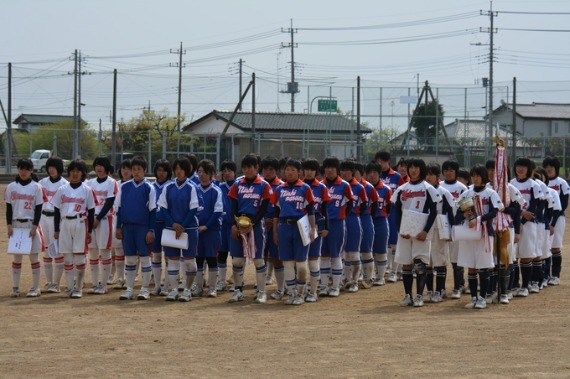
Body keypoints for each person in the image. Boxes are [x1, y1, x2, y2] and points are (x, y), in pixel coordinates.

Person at [391, 158, 441, 307]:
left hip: (421, 233)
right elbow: (397, 212)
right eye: (410, 167)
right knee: (406, 264)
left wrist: (426, 231)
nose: (413, 170)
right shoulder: (402, 189)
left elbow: (433, 212)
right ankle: (408, 296)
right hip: (406, 232)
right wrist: (401, 230)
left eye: (416, 167)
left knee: (420, 264)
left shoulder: (429, 188)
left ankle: (419, 296)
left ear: (421, 169)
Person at [455, 164, 503, 309]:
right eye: (473, 176)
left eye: (478, 175)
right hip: (469, 233)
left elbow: (494, 212)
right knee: (471, 267)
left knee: (483, 266)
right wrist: (464, 215)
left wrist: (479, 219)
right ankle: (474, 297)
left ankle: (483, 297)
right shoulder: (466, 194)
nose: (475, 179)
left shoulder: (491, 193)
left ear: (484, 177)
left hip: (484, 233)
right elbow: (457, 215)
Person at [227, 153, 272, 303]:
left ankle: (261, 292)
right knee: (237, 261)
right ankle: (238, 290)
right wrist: (235, 224)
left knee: (259, 260)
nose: (247, 170)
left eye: (250, 167)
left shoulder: (264, 185)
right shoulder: (237, 185)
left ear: (257, 167)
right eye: (244, 168)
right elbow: (232, 207)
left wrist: (251, 224)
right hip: (239, 225)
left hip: (256, 225)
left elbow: (264, 209)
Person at [272, 159, 316, 305]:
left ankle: (301, 292)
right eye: (287, 169)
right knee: (288, 263)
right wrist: (275, 232)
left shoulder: (305, 188)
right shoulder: (279, 189)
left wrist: (313, 229)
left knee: (302, 264)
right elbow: (276, 213)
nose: (289, 172)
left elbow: (311, 211)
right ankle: (291, 293)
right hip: (284, 227)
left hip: (300, 227)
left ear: (299, 172)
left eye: (292, 169)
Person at [51, 160, 96, 298]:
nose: (75, 174)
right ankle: (70, 287)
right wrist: (56, 229)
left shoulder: (87, 190)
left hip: (80, 223)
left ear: (82, 173)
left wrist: (89, 232)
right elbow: (57, 210)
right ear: (68, 172)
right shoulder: (62, 189)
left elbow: (92, 211)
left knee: (79, 258)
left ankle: (78, 288)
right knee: (67, 258)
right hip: (65, 223)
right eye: (72, 171)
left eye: (78, 171)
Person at [157, 157, 200, 302]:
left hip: (189, 228)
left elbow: (193, 208)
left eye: (181, 168)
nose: (178, 171)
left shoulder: (192, 187)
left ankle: (187, 290)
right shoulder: (168, 187)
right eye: (176, 168)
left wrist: (182, 225)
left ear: (187, 170)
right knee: (173, 260)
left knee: (189, 261)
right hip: (171, 228)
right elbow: (163, 207)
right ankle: (174, 289)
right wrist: (173, 224)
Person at [115, 156, 157, 300]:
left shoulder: (149, 188)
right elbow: (119, 209)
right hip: (128, 227)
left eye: (139, 169)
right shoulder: (124, 187)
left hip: (143, 227)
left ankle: (144, 289)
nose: (136, 172)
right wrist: (118, 227)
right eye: (134, 169)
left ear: (145, 170)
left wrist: (151, 230)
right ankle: (129, 288)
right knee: (130, 259)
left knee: (145, 258)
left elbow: (152, 211)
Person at [5, 158, 46, 298]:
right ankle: (15, 288)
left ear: (31, 171)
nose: (23, 171)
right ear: (18, 169)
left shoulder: (36, 187)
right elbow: (9, 208)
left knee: (34, 257)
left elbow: (39, 209)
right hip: (16, 225)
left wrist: (35, 226)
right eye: (21, 168)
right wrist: (9, 225)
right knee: (17, 258)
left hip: (30, 224)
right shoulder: (11, 187)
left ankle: (35, 287)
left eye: (26, 169)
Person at [320, 156, 353, 297]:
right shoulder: (321, 185)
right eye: (327, 167)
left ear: (337, 169)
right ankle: (323, 286)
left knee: (336, 255)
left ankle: (335, 286)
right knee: (323, 255)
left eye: (332, 167)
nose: (329, 170)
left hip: (337, 223)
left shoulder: (344, 185)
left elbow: (350, 203)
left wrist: (342, 216)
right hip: (322, 224)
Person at [510, 157, 543, 298]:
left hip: (528, 225)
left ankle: (525, 286)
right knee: (514, 256)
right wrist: (520, 216)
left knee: (526, 255)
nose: (520, 169)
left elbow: (535, 206)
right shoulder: (510, 184)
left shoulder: (534, 185)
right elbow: (510, 204)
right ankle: (515, 285)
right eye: (518, 166)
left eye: (523, 166)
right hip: (513, 222)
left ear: (529, 169)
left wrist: (522, 221)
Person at [87, 155, 118, 295]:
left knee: (105, 252)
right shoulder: (89, 182)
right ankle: (95, 284)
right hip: (90, 219)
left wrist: (98, 218)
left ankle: (103, 285)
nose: (98, 168)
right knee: (92, 252)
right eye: (97, 165)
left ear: (106, 167)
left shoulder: (111, 182)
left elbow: (109, 202)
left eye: (101, 165)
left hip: (104, 220)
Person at [424, 162, 455, 303]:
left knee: (440, 260)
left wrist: (451, 231)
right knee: (427, 261)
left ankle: (440, 290)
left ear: (438, 177)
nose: (428, 177)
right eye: (426, 175)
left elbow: (450, 213)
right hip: (424, 229)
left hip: (439, 228)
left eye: (431, 174)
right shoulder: (422, 191)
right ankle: (430, 290)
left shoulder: (444, 192)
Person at [302, 158, 331, 302]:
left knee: (313, 260)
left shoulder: (322, 188)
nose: (309, 172)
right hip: (299, 226)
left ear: (316, 172)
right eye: (306, 169)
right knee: (299, 261)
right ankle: (299, 290)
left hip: (315, 226)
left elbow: (325, 209)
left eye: (312, 170)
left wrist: (326, 227)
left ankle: (313, 291)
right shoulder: (298, 187)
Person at [193, 159, 223, 298]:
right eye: (199, 172)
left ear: (211, 174)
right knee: (198, 259)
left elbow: (217, 211)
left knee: (211, 259)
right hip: (196, 230)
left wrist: (206, 226)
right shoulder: (194, 189)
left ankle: (212, 287)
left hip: (211, 230)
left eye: (205, 172)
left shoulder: (216, 191)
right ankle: (198, 286)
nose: (202, 175)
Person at [38, 156, 69, 293]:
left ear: (59, 168)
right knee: (46, 251)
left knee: (56, 251)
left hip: (57, 219)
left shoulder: (64, 184)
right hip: (43, 217)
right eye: (49, 167)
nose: (51, 170)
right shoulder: (42, 183)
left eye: (54, 167)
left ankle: (56, 283)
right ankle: (49, 282)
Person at [375, 151, 405, 283]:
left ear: (389, 162)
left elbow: (402, 195)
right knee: (381, 243)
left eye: (383, 161)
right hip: (379, 212)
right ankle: (381, 269)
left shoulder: (397, 177)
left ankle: (394, 271)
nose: (380, 163)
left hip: (392, 211)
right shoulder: (375, 175)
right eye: (378, 161)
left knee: (394, 242)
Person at [439, 160, 468, 299]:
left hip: (458, 225)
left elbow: (467, 208)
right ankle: (441, 288)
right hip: (442, 226)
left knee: (456, 257)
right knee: (442, 257)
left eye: (451, 170)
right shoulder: (439, 186)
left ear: (456, 172)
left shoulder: (462, 188)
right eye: (445, 170)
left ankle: (458, 286)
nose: (448, 173)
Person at [339, 159, 368, 293]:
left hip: (353, 220)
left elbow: (364, 206)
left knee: (354, 253)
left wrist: (354, 215)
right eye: (342, 170)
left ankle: (355, 281)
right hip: (339, 220)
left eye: (347, 170)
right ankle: (345, 278)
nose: (344, 173)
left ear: (353, 172)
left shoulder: (359, 187)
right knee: (342, 253)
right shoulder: (339, 186)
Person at [259, 156, 284, 298]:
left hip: (276, 226)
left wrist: (275, 221)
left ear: (276, 171)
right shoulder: (258, 185)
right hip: (259, 226)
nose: (267, 172)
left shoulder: (281, 186)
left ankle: (281, 288)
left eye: (271, 169)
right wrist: (262, 220)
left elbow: (285, 207)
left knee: (277, 257)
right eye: (265, 169)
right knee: (260, 257)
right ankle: (261, 288)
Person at [543, 155, 569, 286]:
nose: (548, 169)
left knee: (555, 247)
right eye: (546, 167)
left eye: (551, 167)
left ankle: (556, 275)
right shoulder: (541, 183)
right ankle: (545, 275)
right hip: (544, 218)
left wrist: (553, 217)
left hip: (558, 219)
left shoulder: (561, 183)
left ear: (556, 168)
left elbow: (564, 204)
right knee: (545, 246)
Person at [365, 161, 392, 286]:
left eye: (375, 172)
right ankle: (368, 276)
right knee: (367, 250)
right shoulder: (363, 189)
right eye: (369, 173)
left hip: (380, 221)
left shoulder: (386, 189)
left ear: (379, 174)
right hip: (366, 221)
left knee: (381, 250)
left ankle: (380, 277)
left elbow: (389, 207)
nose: (372, 175)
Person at [354, 162, 378, 288]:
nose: (352, 175)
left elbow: (375, 205)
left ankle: (369, 277)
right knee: (351, 251)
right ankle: (355, 278)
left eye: (355, 173)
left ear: (361, 174)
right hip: (351, 219)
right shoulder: (348, 185)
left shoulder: (368, 187)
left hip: (365, 219)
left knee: (366, 249)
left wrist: (368, 217)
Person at [150, 159, 172, 296]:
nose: (161, 173)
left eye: (164, 170)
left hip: (168, 225)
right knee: (156, 255)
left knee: (169, 256)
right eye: (159, 170)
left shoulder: (171, 186)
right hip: (155, 224)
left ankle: (166, 285)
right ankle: (157, 285)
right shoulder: (151, 186)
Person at [216, 159, 237, 292]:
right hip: (222, 226)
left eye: (229, 171)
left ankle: (236, 280)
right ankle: (222, 281)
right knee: (222, 254)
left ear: (235, 172)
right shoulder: (219, 187)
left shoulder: (239, 186)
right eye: (224, 171)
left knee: (236, 255)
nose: (227, 173)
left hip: (235, 225)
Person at [111, 159, 132, 289]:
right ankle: (120, 279)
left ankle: (130, 276)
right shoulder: (116, 184)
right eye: (123, 168)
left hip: (131, 220)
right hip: (116, 219)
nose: (125, 171)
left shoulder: (136, 185)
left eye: (128, 168)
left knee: (130, 251)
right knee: (118, 249)